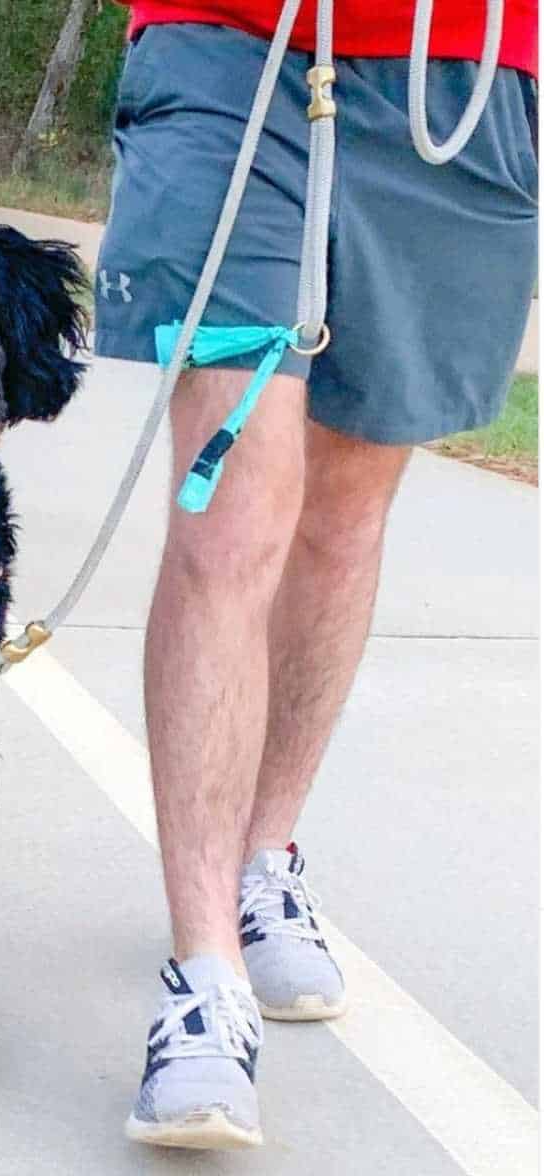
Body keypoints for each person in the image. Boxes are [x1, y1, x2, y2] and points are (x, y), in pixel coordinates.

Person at [95, 0, 537, 1152]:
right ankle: (204, 970)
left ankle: (264, 854)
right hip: (231, 51)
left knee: (345, 514)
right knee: (232, 510)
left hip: (463, 75)